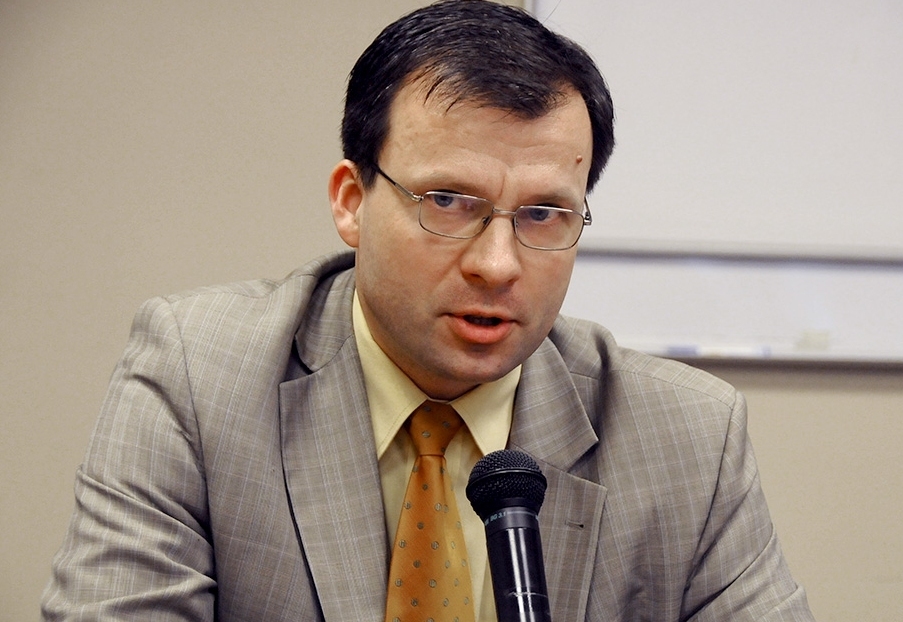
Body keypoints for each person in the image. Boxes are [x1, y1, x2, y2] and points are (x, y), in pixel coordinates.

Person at [42, 1, 814, 620]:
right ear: (352, 201)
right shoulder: (197, 378)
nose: (497, 264)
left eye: (544, 214)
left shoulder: (688, 438)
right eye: (448, 201)